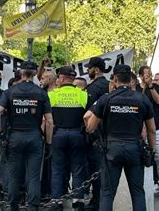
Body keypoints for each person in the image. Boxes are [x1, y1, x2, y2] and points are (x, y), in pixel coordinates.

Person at [85, 64, 156, 211]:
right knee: (137, 192)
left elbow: (90, 126)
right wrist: (151, 150)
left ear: (115, 79)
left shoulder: (106, 99)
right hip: (134, 149)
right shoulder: (142, 99)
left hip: (112, 148)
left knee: (107, 194)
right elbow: (151, 130)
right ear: (131, 79)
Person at [0, 60, 54, 211]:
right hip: (34, 136)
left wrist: (0, 133)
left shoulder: (10, 92)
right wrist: (48, 142)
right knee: (33, 176)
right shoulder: (41, 93)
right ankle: (33, 206)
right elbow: (49, 121)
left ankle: (13, 205)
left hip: (15, 136)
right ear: (34, 74)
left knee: (14, 174)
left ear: (20, 73)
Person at [48, 66, 88, 210]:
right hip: (77, 134)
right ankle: (78, 203)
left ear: (63, 78)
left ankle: (56, 204)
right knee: (77, 170)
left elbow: (47, 119)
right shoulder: (82, 94)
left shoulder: (53, 95)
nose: (57, 80)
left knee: (57, 170)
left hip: (58, 134)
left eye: (58, 77)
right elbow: (87, 117)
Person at [137, 66, 159, 200]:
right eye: (146, 74)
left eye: (150, 73)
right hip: (140, 128)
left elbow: (158, 101)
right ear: (140, 75)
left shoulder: (154, 87)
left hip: (157, 127)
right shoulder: (137, 88)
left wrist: (150, 86)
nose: (149, 76)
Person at [84, 56, 110, 210]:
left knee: (96, 170)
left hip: (96, 135)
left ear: (97, 69)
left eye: (90, 68)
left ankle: (97, 201)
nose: (88, 71)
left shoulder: (93, 88)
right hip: (110, 133)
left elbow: (88, 113)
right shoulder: (110, 86)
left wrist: (89, 131)